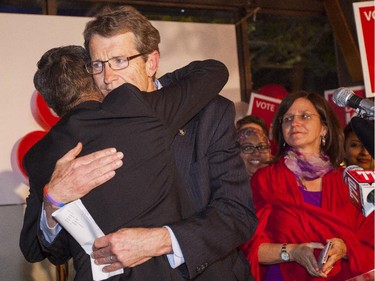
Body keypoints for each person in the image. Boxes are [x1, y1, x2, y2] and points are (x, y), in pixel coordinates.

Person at [21, 5, 257, 281]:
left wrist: (161, 241)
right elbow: (52, 250)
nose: (108, 78)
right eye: (98, 65)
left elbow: (237, 215)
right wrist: (54, 202)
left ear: (151, 62)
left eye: (120, 60)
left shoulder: (208, 112)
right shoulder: (79, 138)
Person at [241, 91, 374, 281]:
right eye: (287, 119)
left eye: (304, 116)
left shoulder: (349, 181)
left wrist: (345, 248)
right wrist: (292, 252)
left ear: (324, 129)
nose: (294, 123)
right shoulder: (265, 180)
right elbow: (250, 246)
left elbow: (369, 243)